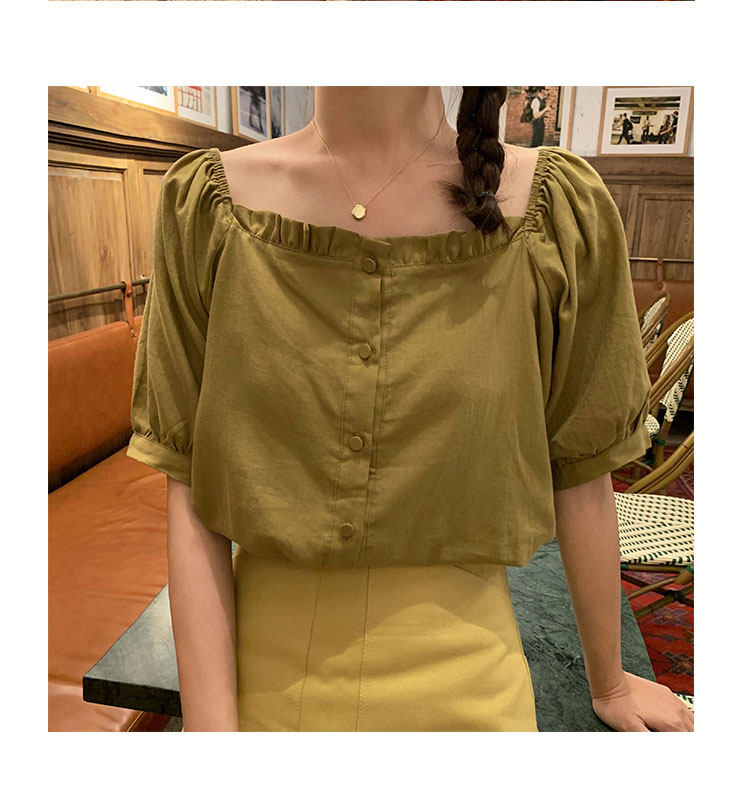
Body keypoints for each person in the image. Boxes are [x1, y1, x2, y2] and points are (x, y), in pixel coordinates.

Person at [126, 86, 694, 733]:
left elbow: (583, 474)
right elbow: (190, 488)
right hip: (256, 696)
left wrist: (610, 682)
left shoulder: (558, 212)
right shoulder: (204, 206)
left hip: (475, 699)